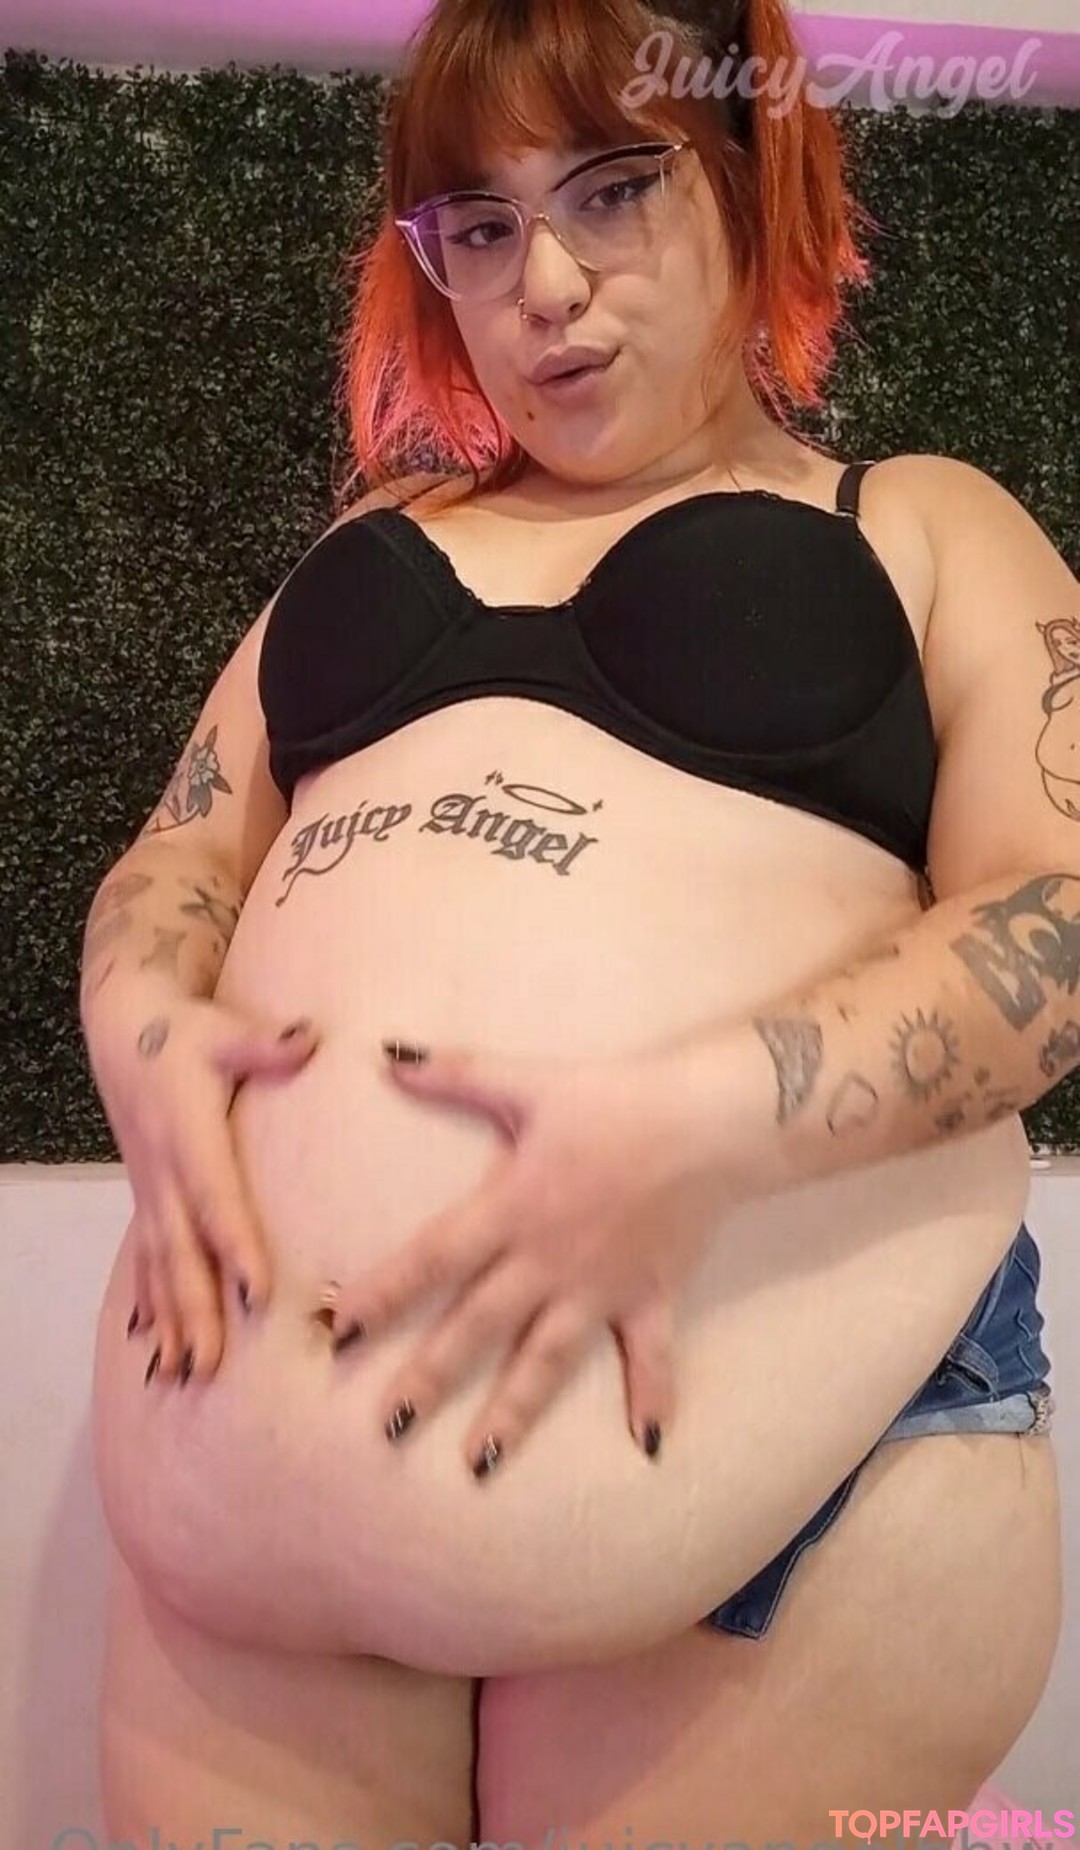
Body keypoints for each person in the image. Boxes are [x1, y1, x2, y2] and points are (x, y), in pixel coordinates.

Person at [80, 0, 1070, 1840]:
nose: (543, 285)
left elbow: (1063, 914)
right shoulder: (367, 543)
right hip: (245, 1582)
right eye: (478, 225)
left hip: (779, 1525)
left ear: (750, 183)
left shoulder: (922, 527)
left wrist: (695, 1125)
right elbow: (179, 863)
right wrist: (138, 1031)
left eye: (614, 189)